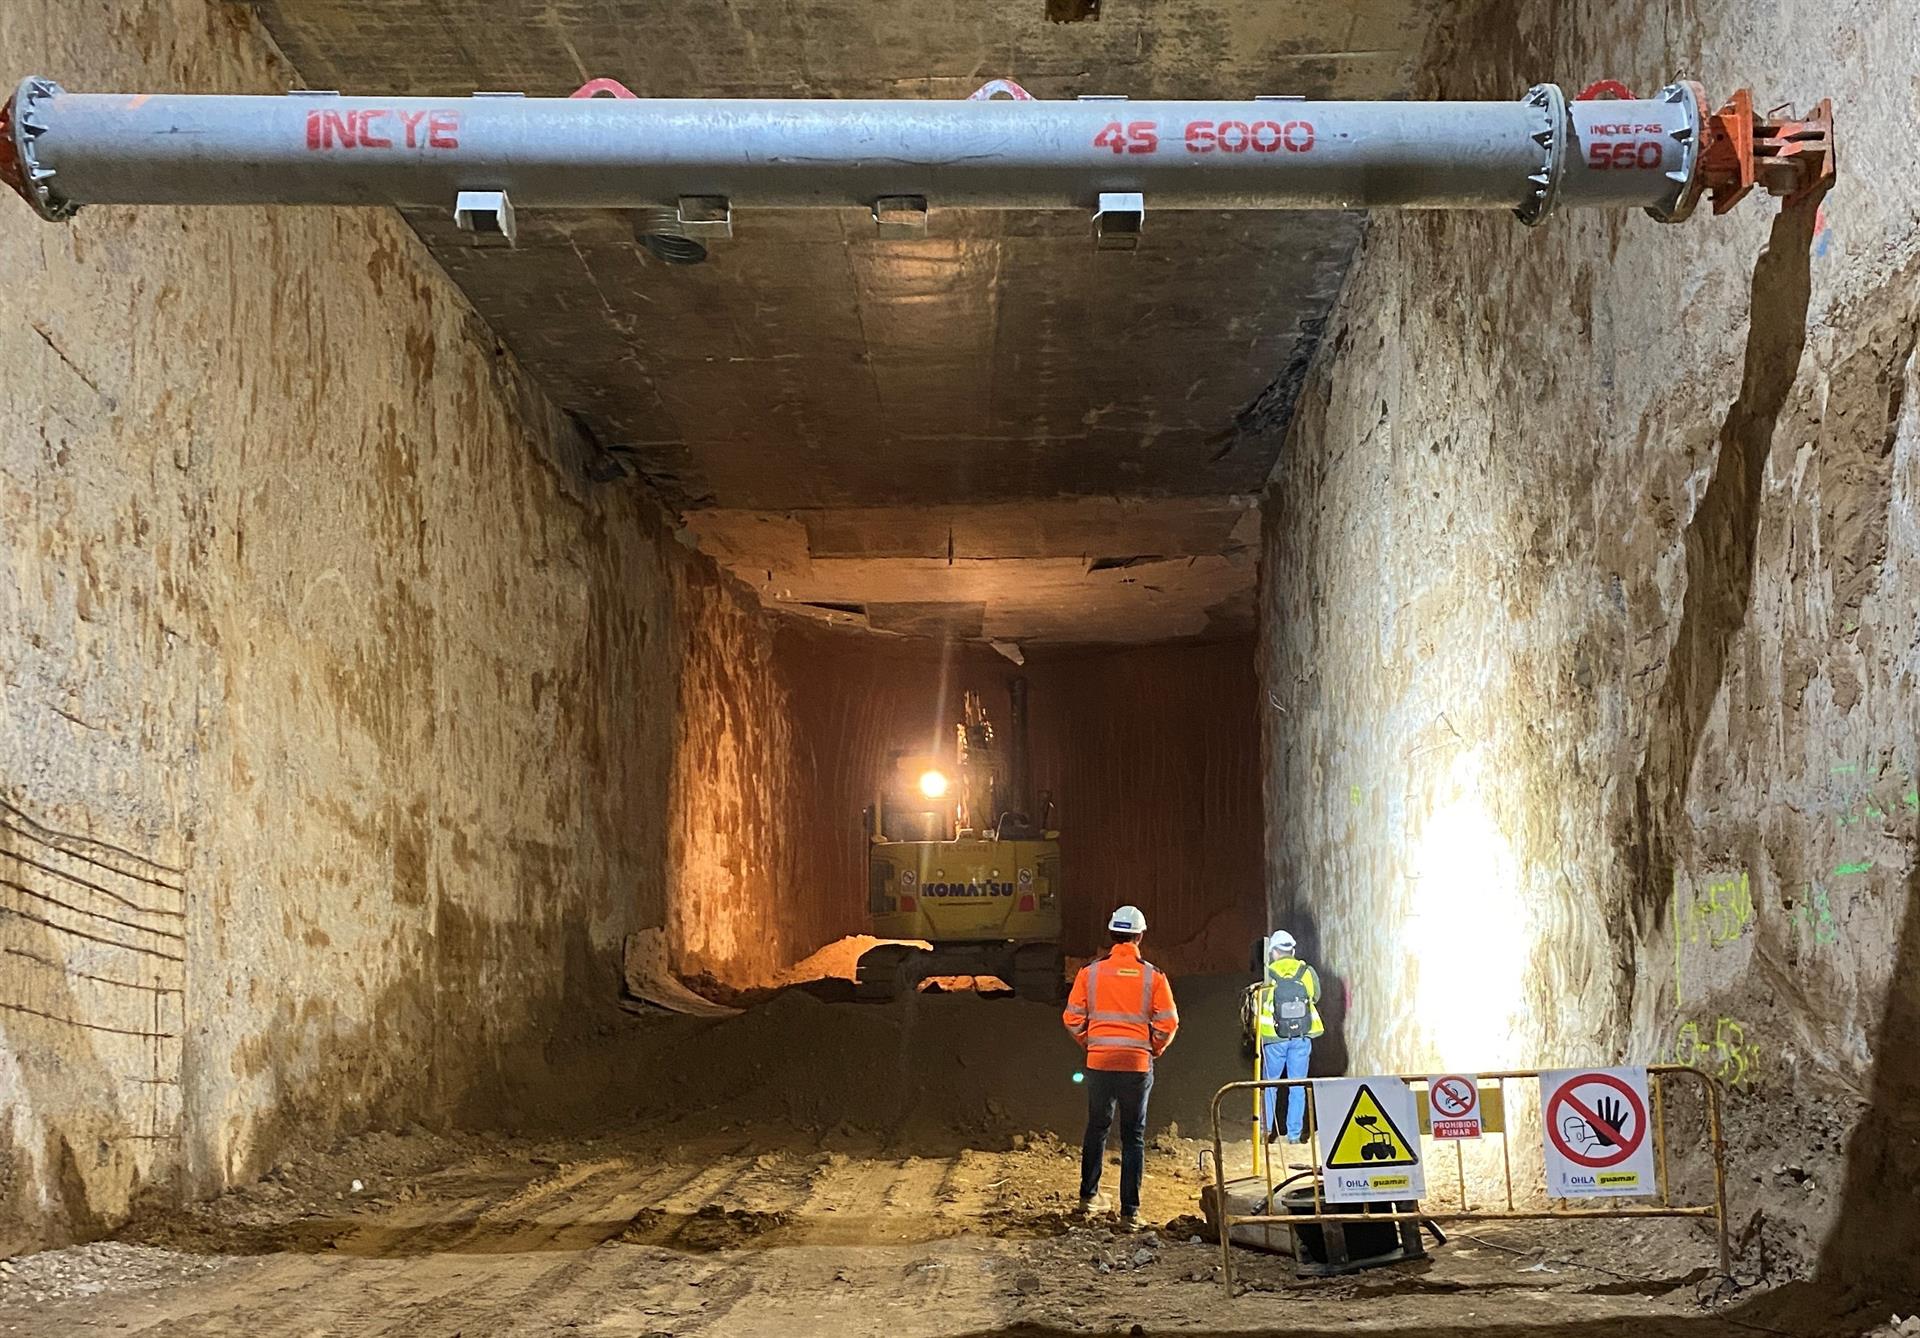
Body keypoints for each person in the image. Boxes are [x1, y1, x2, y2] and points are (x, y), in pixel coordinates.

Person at [1061, 905, 1179, 1229]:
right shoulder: (1153, 976)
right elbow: (1169, 1022)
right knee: (1134, 1136)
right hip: (1137, 1065)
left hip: (1099, 1062)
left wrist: (1092, 1044)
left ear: (1112, 935)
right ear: (1140, 936)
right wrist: (1152, 1048)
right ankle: (1130, 1213)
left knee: (1097, 1128)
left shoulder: (1091, 972)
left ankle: (1088, 1198)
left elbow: (1071, 1018)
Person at [1255, 929, 1323, 1146]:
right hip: (1301, 1036)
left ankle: (1266, 1131)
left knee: (1270, 1085)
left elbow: (1261, 1003)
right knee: (1297, 1085)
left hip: (1274, 1037)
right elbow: (1316, 996)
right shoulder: (1306, 971)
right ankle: (1294, 1135)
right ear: (1292, 950)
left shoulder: (1268, 974)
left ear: (1273, 952)